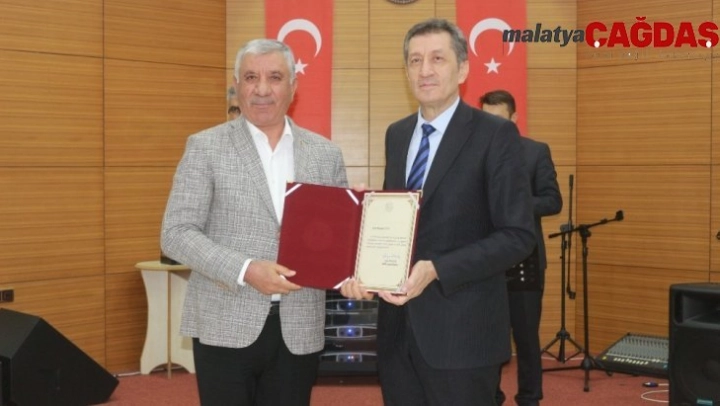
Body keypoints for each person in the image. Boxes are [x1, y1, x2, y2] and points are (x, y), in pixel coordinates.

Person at [340, 18, 536, 406]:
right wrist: (360, 246)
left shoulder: (495, 135)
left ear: (462, 69)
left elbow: (518, 235)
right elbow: (400, 222)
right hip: (398, 334)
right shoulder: (397, 134)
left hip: (463, 335)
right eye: (415, 60)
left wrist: (437, 269)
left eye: (437, 59)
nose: (424, 70)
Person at [161, 39, 348, 406]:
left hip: (298, 328)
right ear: (237, 85)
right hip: (225, 323)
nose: (262, 89)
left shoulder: (325, 154)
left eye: (275, 77)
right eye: (250, 78)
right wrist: (246, 269)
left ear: (293, 86)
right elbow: (175, 234)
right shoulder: (205, 147)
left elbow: (339, 240)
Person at [480, 89, 563, 406]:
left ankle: (529, 397)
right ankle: (490, 395)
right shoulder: (473, 154)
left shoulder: (535, 151)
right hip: (485, 260)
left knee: (526, 338)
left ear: (514, 119)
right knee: (488, 337)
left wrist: (512, 203)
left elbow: (552, 201)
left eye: (499, 119)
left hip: (525, 260)